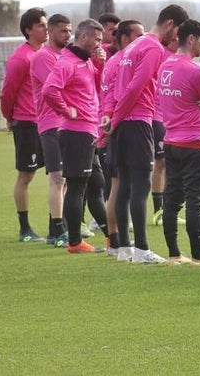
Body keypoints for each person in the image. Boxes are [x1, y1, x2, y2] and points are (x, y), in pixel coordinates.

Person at [108, 4, 188, 264]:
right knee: (140, 186)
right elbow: (135, 87)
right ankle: (142, 250)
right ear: (170, 24)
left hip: (124, 123)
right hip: (138, 121)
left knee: (124, 185)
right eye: (178, 31)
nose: (177, 37)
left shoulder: (134, 46)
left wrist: (114, 120)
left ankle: (124, 249)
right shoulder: (153, 47)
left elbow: (118, 85)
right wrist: (116, 118)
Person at [157, 19, 200, 266]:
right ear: (191, 39)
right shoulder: (196, 71)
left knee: (172, 199)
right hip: (195, 143)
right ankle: (199, 256)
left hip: (171, 141)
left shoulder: (165, 66)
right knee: (196, 200)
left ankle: (174, 254)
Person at [41, 18, 109, 254]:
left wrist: (100, 65)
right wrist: (66, 110)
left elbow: (97, 90)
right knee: (77, 187)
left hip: (89, 130)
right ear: (83, 37)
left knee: (97, 183)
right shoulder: (67, 62)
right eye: (96, 39)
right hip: (76, 132)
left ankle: (113, 238)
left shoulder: (87, 61)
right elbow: (49, 89)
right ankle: (74, 241)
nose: (99, 44)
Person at [0, 7, 49, 242]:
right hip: (28, 123)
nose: (46, 29)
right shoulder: (21, 59)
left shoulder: (48, 54)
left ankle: (59, 226)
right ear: (28, 30)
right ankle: (25, 229)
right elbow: (7, 93)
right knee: (26, 175)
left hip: (49, 122)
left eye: (46, 24)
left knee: (60, 175)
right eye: (41, 25)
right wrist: (9, 117)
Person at [99, 18, 145, 256]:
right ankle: (122, 244)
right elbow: (118, 97)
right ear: (125, 38)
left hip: (112, 126)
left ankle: (115, 244)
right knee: (122, 188)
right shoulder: (124, 62)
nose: (143, 40)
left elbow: (107, 97)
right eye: (139, 36)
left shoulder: (112, 62)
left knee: (116, 187)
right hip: (122, 125)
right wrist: (110, 124)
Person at [31, 13, 73, 247]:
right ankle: (58, 230)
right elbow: (58, 88)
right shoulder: (43, 57)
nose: (68, 35)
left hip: (66, 123)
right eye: (63, 31)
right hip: (51, 123)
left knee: (64, 180)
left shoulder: (64, 56)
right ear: (51, 31)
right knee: (58, 178)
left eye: (70, 31)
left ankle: (54, 230)